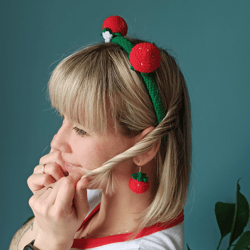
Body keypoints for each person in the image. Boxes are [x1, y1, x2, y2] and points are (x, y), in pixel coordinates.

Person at [9, 15, 191, 250]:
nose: (56, 142)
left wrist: (51, 240)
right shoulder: (93, 190)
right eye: (63, 119)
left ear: (144, 148)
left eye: (80, 129)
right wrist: (45, 220)